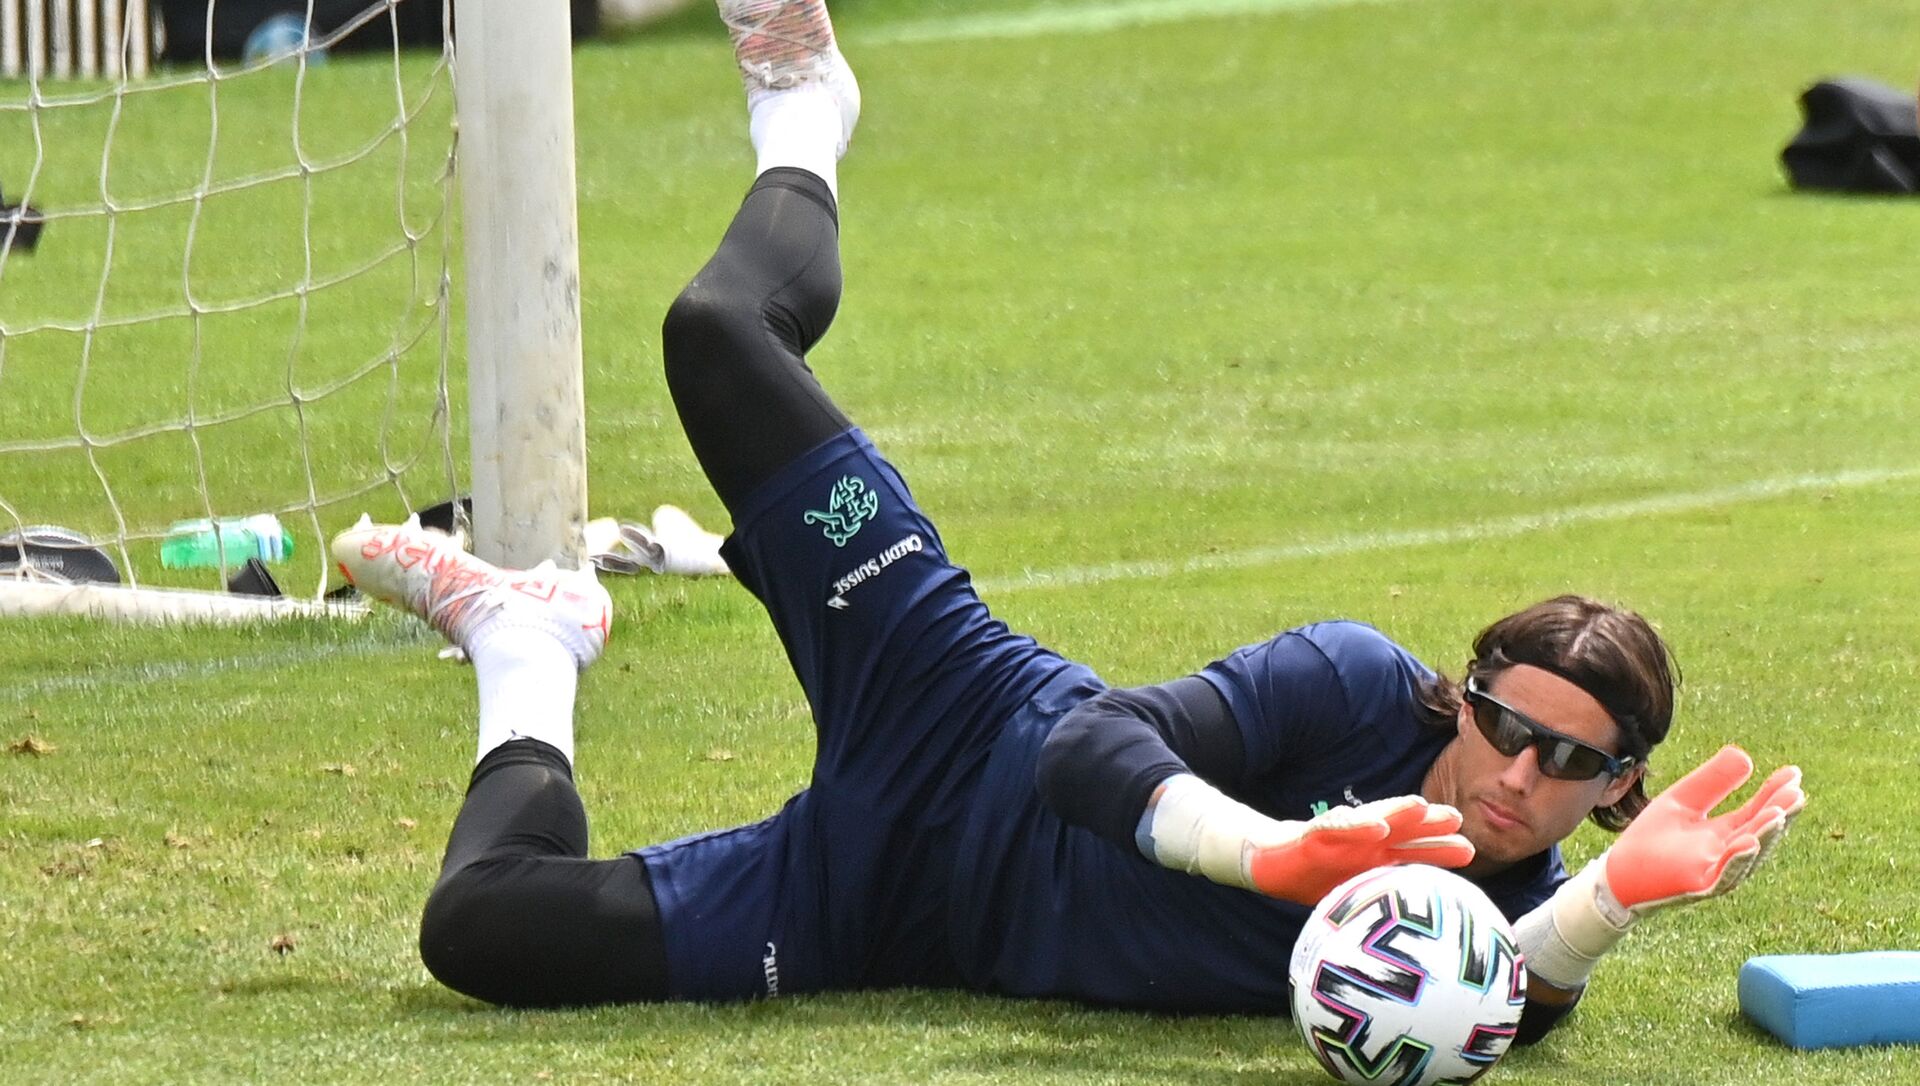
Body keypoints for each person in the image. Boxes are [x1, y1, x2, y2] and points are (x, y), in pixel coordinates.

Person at [330, 0, 1806, 1041]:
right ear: (1465, 692)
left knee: (482, 929)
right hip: (960, 705)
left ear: (1615, 786)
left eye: (1572, 765)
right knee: (717, 333)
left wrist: (1614, 900)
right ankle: (805, 114)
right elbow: (1088, 747)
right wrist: (1274, 854)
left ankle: (527, 644)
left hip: (885, 911)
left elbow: (1503, 995)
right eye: (1504, 724)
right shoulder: (1353, 679)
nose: (1518, 775)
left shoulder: (1506, 914)